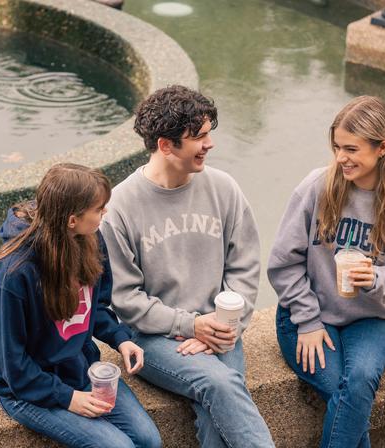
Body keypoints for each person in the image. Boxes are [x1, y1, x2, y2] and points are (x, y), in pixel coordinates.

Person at [100, 85, 275, 448]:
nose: (209, 143)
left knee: (216, 414)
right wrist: (190, 325)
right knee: (221, 383)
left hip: (220, 329)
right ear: (165, 145)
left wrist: (226, 326)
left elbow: (245, 267)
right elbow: (125, 298)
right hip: (153, 338)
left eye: (209, 133)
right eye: (198, 137)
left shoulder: (224, 189)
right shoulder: (119, 207)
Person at [268, 96, 385, 448]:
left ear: (382, 148)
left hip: (369, 319)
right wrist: (308, 321)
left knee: (357, 384)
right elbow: (283, 263)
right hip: (306, 315)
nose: (340, 157)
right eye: (336, 147)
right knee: (345, 396)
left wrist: (378, 278)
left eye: (351, 149)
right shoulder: (316, 187)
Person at [0, 163, 162, 448]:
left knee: (149, 441)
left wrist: (120, 340)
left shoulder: (91, 239)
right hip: (26, 390)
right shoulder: (13, 275)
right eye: (98, 209)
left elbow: (95, 307)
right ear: (71, 220)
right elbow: (11, 364)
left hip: (80, 370)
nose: (104, 213)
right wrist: (67, 398)